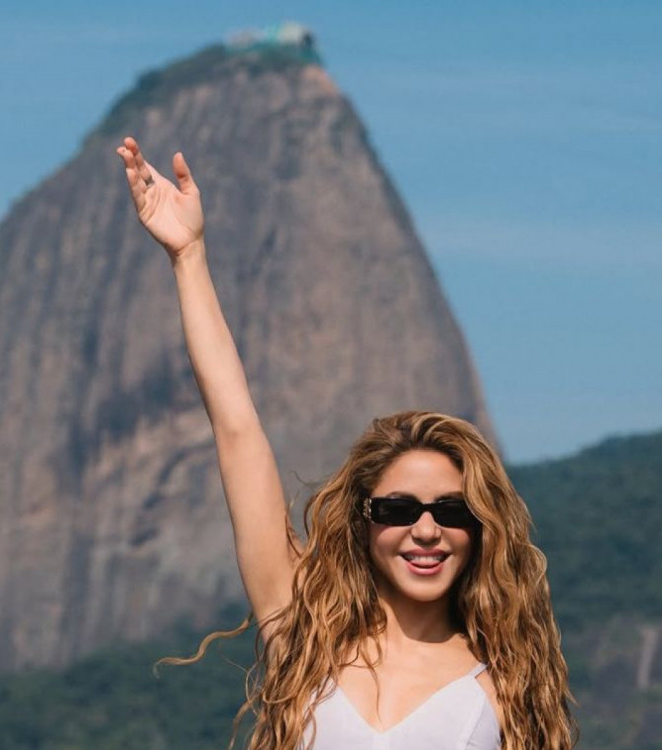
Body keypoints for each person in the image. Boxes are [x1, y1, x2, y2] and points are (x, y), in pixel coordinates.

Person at [115, 136, 577, 750]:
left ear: (480, 527)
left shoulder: (504, 689)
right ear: (365, 520)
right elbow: (236, 429)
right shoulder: (304, 634)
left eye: (452, 510)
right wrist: (189, 257)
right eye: (398, 509)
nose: (426, 530)